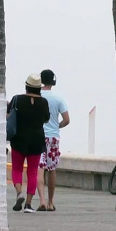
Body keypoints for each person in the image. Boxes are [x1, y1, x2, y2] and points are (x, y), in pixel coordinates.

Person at [7, 74, 50, 213]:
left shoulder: (17, 99)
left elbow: (8, 115)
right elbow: (46, 119)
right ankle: (29, 205)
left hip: (18, 139)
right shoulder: (43, 102)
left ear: (26, 86)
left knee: (17, 168)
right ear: (39, 88)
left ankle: (19, 192)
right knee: (32, 172)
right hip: (36, 140)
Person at [37, 69, 70, 212]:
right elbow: (67, 120)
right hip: (53, 137)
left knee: (39, 168)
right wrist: (57, 126)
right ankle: (50, 202)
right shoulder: (59, 99)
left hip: (38, 135)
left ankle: (42, 201)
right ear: (53, 81)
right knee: (51, 170)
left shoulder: (37, 96)